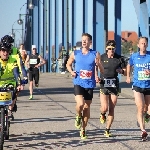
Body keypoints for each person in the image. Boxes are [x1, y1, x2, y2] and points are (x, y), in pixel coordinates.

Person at [66, 33, 104, 139]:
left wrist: (99, 64)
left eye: (86, 40)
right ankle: (78, 115)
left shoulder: (95, 54)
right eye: (83, 40)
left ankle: (83, 129)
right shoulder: (75, 53)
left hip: (90, 84)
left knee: (87, 108)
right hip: (78, 82)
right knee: (80, 104)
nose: (84, 42)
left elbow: (102, 70)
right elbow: (68, 64)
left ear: (90, 42)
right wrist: (71, 71)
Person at [99, 40, 126, 137]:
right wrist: (96, 77)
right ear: (106, 49)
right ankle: (102, 114)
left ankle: (107, 129)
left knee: (111, 108)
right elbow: (94, 67)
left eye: (113, 49)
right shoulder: (101, 57)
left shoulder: (119, 58)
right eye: (109, 49)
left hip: (114, 85)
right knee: (104, 108)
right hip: (103, 84)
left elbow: (127, 72)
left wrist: (122, 71)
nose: (111, 51)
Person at [126, 37, 150, 141]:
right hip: (137, 85)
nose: (143, 45)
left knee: (147, 109)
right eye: (141, 43)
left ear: (147, 45)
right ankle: (143, 131)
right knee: (140, 107)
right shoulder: (134, 56)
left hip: (148, 85)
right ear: (138, 45)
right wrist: (128, 76)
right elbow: (129, 65)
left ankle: (144, 117)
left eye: (145, 43)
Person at [0, 42, 25, 119]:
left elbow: (16, 73)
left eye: (7, 51)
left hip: (10, 83)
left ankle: (11, 109)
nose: (5, 53)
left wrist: (19, 83)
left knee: (14, 91)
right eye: (3, 51)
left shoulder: (12, 60)